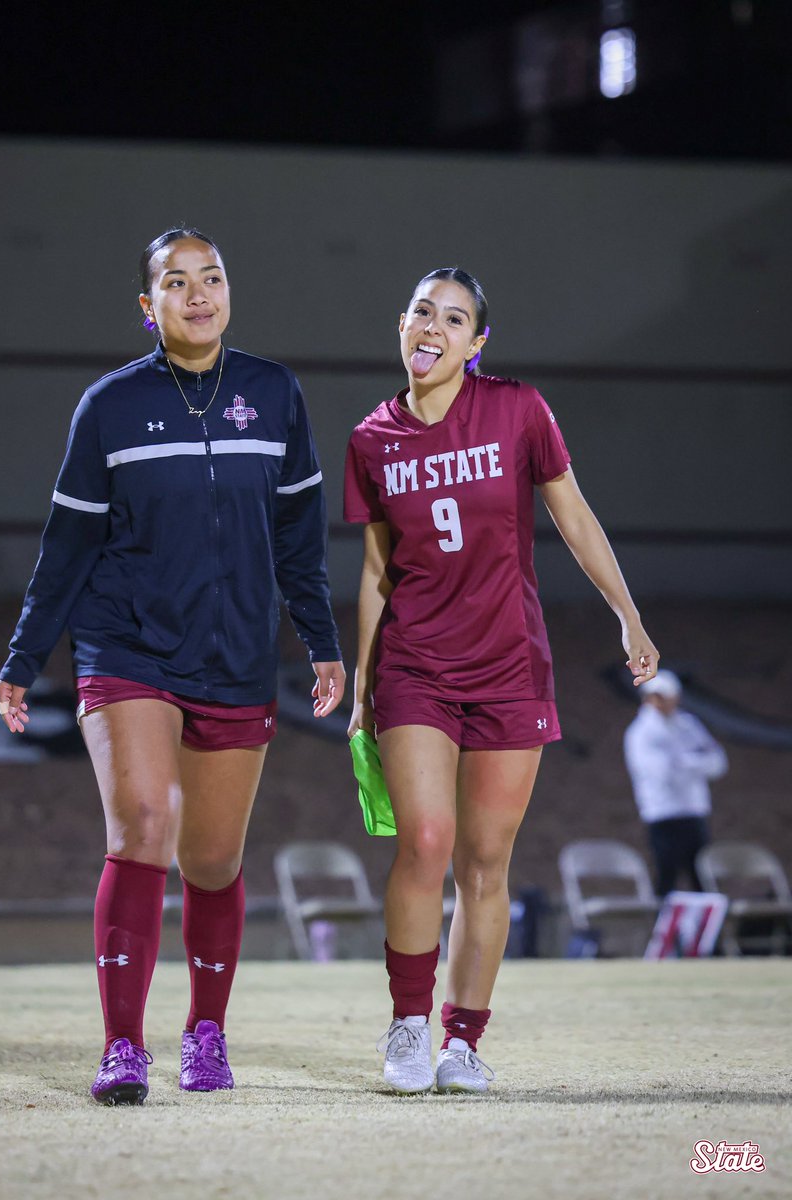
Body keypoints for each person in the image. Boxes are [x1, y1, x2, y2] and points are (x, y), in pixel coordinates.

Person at [0, 227, 345, 1104]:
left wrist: (321, 637)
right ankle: (122, 1048)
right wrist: (25, 653)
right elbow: (69, 545)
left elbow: (300, 538)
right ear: (147, 308)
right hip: (126, 644)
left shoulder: (273, 394)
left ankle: (206, 1034)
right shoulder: (108, 406)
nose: (199, 294)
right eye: (177, 283)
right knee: (143, 822)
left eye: (213, 278)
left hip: (234, 651)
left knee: (215, 861)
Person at [344, 267, 659, 1096]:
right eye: (420, 310)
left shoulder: (519, 409)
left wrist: (627, 614)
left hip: (509, 665)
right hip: (415, 664)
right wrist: (362, 686)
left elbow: (574, 515)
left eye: (454, 319)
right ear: (401, 322)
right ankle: (409, 1026)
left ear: (477, 344)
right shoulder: (372, 437)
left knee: (485, 861)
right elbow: (377, 569)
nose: (432, 327)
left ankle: (463, 1041)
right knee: (428, 841)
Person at [624, 669, 727, 896]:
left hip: (694, 811)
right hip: (662, 814)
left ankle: (704, 930)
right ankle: (664, 929)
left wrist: (685, 763)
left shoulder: (688, 725)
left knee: (701, 877)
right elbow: (662, 773)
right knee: (666, 876)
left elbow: (718, 762)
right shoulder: (641, 733)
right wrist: (695, 763)